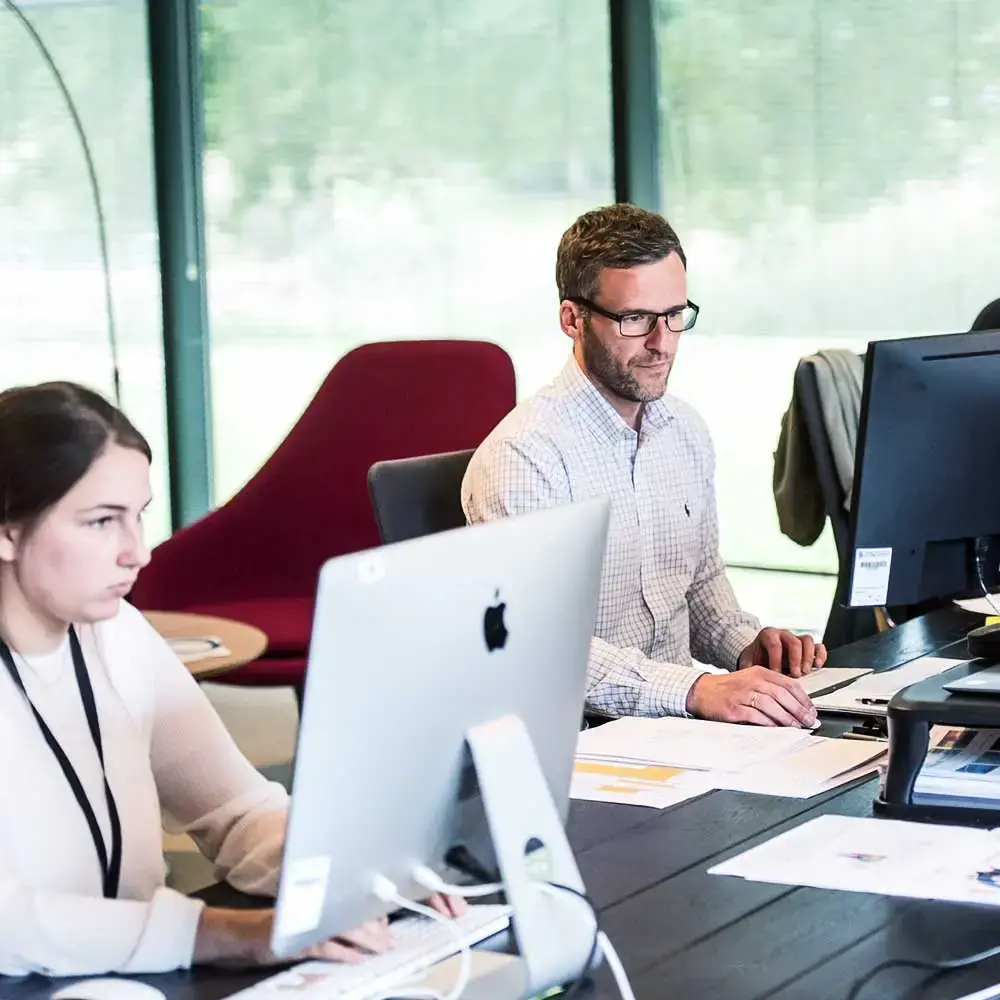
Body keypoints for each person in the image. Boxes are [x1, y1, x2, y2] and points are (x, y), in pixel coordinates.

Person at [0, 381, 462, 979]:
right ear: (8, 529)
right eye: (100, 522)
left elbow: (237, 810)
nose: (136, 553)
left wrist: (362, 876)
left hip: (128, 978)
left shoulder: (118, 635)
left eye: (138, 517)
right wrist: (229, 934)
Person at [462, 204, 827, 728]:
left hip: (679, 732)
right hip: (585, 745)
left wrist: (748, 648)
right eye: (634, 319)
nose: (662, 342)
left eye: (675, 315)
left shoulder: (684, 430)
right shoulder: (525, 458)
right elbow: (540, 646)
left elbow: (699, 586)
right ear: (573, 319)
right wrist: (697, 689)